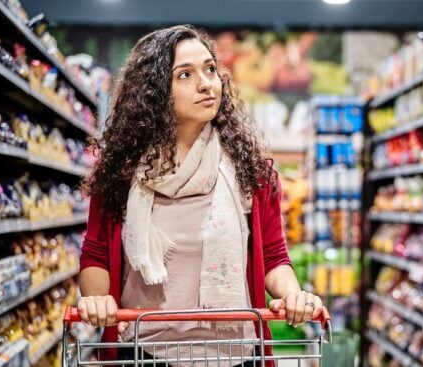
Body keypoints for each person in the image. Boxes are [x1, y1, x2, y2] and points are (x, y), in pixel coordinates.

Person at [77, 25, 323, 366]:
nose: (206, 83)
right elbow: (96, 254)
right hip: (145, 353)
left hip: (234, 354)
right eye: (185, 74)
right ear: (156, 91)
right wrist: (97, 299)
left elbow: (273, 255)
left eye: (210, 69)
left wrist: (294, 295)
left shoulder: (250, 172)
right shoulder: (120, 173)